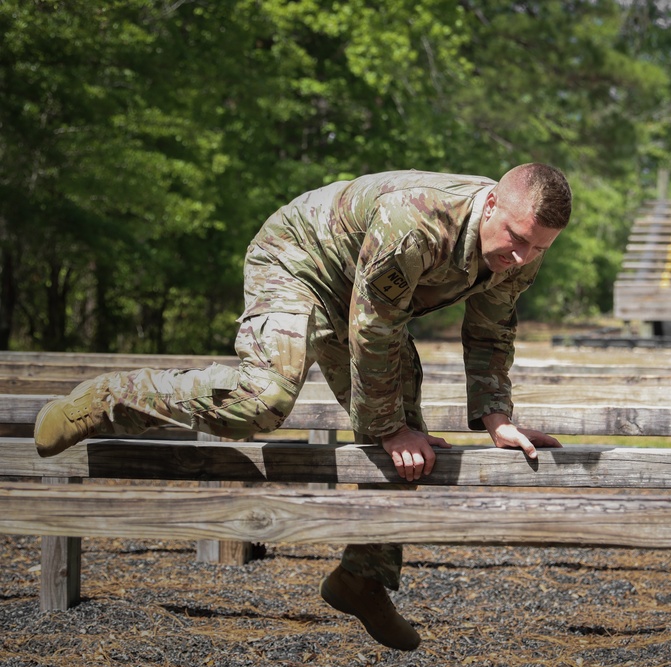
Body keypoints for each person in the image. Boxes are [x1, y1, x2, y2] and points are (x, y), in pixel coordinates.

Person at [33, 163, 573, 651]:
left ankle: (361, 580)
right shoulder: (417, 220)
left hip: (362, 295)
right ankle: (107, 400)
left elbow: (491, 332)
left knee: (414, 447)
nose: (522, 257)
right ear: (493, 203)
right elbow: (374, 325)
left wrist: (496, 418)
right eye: (518, 240)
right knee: (262, 402)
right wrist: (388, 427)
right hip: (299, 262)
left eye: (539, 248)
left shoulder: (521, 253)